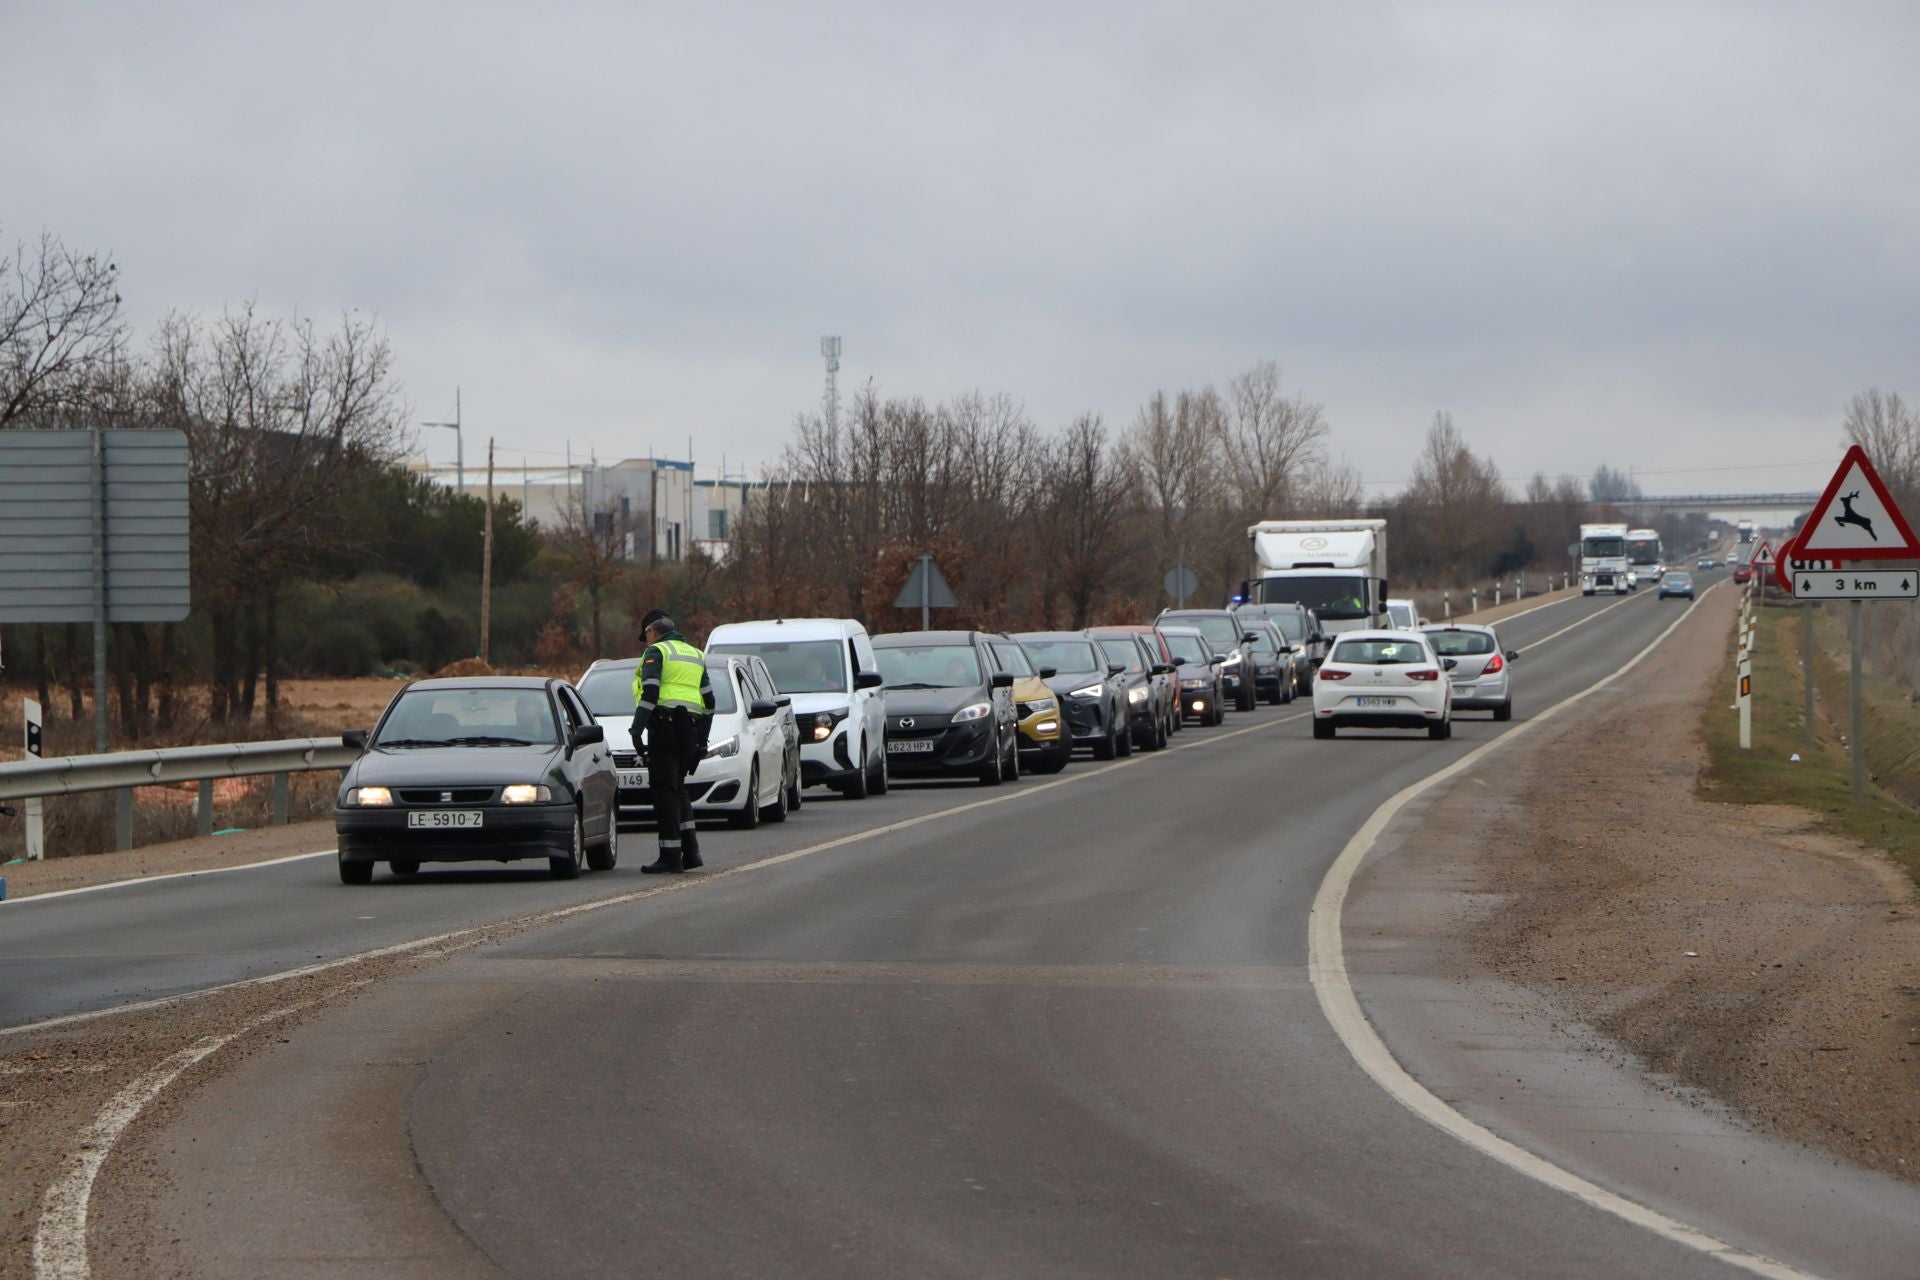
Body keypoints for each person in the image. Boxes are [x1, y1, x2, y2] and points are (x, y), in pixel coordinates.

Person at [631, 609, 715, 874]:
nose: (646, 643)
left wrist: (637, 729)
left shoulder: (657, 652)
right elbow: (710, 703)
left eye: (645, 637)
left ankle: (670, 856)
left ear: (651, 632)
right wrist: (702, 739)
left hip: (665, 729)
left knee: (664, 792)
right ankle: (691, 853)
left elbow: (650, 693)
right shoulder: (696, 655)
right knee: (678, 790)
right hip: (689, 730)